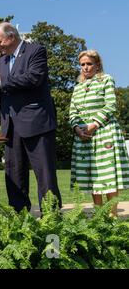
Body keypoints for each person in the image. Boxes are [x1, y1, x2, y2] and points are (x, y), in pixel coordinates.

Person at [0, 22, 62, 212]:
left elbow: (33, 78)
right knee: (14, 176)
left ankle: (52, 221)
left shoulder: (35, 51)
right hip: (11, 127)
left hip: (37, 123)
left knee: (45, 176)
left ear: (11, 37)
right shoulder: (1, 62)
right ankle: (19, 220)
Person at [69, 50, 129, 217]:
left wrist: (93, 125)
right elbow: (72, 113)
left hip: (105, 133)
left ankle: (112, 214)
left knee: (107, 174)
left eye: (89, 64)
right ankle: (99, 215)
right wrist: (77, 129)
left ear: (97, 65)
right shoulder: (77, 87)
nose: (86, 68)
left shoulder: (106, 80)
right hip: (84, 138)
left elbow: (110, 105)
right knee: (92, 176)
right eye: (83, 64)